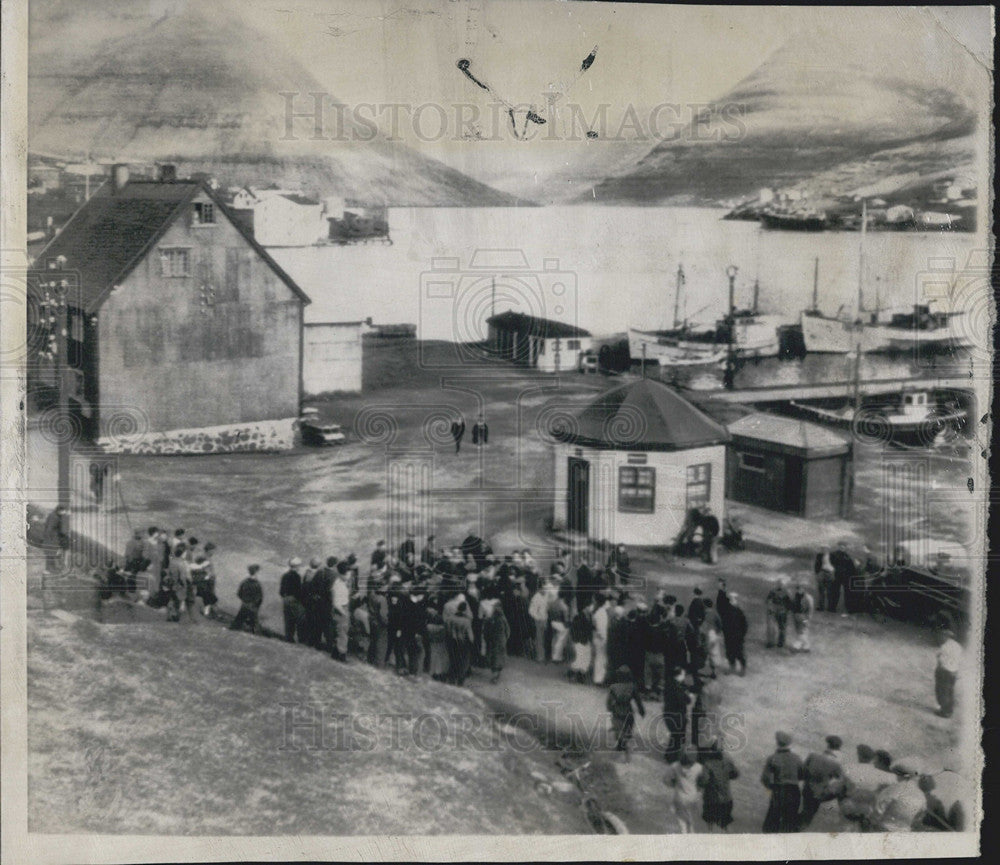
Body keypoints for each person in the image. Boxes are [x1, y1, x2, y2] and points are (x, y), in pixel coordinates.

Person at [839, 744, 896, 831]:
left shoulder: (847, 768)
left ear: (858, 755)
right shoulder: (885, 775)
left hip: (848, 812)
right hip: (870, 813)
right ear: (873, 758)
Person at [761, 730, 804, 833]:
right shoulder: (797, 758)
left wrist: (772, 787)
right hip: (793, 791)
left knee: (771, 824)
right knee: (790, 822)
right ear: (789, 743)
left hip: (778, 791)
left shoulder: (773, 758)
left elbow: (765, 779)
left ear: (777, 742)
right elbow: (803, 775)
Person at [800, 735, 845, 828]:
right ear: (838, 749)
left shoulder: (813, 756)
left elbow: (802, 772)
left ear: (827, 745)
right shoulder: (836, 764)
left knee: (806, 812)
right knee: (807, 816)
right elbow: (841, 779)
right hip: (819, 793)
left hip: (806, 789)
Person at [871, 761, 927, 831]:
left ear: (904, 776)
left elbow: (880, 806)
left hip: (885, 828)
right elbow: (920, 815)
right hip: (905, 831)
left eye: (897, 774)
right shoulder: (921, 794)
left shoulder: (894, 789)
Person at [700, 740, 739, 832]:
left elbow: (704, 781)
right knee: (726, 825)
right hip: (726, 799)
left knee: (710, 825)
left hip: (711, 800)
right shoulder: (728, 761)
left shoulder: (707, 764)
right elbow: (735, 774)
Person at [607, 666, 645, 762]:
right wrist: (642, 711)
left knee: (619, 731)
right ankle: (625, 753)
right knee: (626, 733)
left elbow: (608, 701)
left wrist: (611, 709)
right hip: (628, 711)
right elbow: (638, 701)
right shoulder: (632, 687)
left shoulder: (613, 687)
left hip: (617, 711)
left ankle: (620, 750)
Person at [664, 749, 704, 833]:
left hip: (679, 797)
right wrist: (699, 791)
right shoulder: (699, 767)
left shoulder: (675, 766)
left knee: (681, 821)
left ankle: (684, 833)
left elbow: (666, 780)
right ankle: (691, 833)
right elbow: (703, 782)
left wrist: (674, 784)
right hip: (693, 797)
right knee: (691, 819)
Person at [662, 666, 690, 764]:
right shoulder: (676, 687)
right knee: (677, 736)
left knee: (677, 736)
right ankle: (672, 757)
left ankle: (672, 756)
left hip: (672, 714)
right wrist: (688, 697)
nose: (684, 676)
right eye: (683, 674)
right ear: (678, 675)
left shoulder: (671, 684)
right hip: (675, 716)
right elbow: (683, 700)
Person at [934, 627, 961, 718]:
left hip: (945, 671)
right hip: (954, 671)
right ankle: (949, 710)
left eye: (942, 635)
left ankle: (944, 711)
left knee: (942, 691)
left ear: (946, 636)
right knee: (950, 691)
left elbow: (940, 658)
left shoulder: (944, 646)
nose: (941, 637)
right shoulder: (957, 646)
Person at [482, 599, 511, 683]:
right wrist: (505, 639)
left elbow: (485, 632)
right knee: (499, 658)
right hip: (501, 641)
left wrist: (487, 639)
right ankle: (497, 673)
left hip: (493, 642)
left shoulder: (490, 620)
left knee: (493, 658)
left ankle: (495, 675)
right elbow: (508, 631)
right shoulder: (503, 619)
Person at [230, 564, 263, 633]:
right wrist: (256, 606)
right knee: (255, 625)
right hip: (252, 606)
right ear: (256, 572)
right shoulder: (257, 584)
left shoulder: (244, 582)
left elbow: (239, 594)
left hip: (244, 604)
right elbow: (260, 598)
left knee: (238, 622)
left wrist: (244, 600)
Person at [279, 557, 305, 643]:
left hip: (285, 599)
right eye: (299, 566)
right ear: (296, 566)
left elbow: (281, 591)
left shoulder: (285, 575)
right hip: (294, 599)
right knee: (299, 619)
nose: (299, 567)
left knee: (288, 619)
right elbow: (298, 591)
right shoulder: (297, 576)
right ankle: (301, 639)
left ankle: (288, 638)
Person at [722, 592, 747, 675]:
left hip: (737, 635)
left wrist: (742, 634)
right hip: (729, 635)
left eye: (733, 599)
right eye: (731, 599)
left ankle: (742, 668)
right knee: (730, 652)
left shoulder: (739, 611)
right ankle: (732, 666)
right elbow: (724, 623)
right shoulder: (727, 610)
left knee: (739, 652)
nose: (732, 601)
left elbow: (744, 625)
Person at [568, 606, 593, 683]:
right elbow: (574, 629)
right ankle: (576, 674)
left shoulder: (586, 616)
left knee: (584, 658)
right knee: (581, 658)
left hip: (583, 640)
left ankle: (577, 675)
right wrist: (575, 640)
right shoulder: (580, 617)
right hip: (581, 640)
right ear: (585, 608)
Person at [331, 564, 351, 661]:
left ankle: (335, 653)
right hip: (341, 610)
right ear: (343, 574)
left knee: (339, 633)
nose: (349, 576)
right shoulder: (339, 587)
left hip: (341, 610)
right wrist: (344, 613)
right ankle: (341, 655)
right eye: (348, 574)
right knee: (343, 634)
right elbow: (336, 604)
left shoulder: (339, 582)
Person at [42, 505, 70, 574]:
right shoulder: (55, 517)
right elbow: (62, 530)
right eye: (64, 511)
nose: (64, 512)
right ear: (60, 511)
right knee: (52, 554)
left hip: (50, 538)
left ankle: (51, 569)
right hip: (52, 538)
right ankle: (50, 569)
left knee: (51, 554)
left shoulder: (53, 515)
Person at [765, 578, 791, 649]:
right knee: (771, 627)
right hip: (773, 610)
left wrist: (786, 610)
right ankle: (771, 642)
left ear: (784, 585)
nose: (780, 585)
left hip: (782, 611)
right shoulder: (772, 591)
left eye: (782, 584)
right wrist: (770, 607)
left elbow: (790, 603)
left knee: (782, 627)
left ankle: (781, 643)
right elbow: (768, 600)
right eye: (779, 583)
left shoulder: (787, 592)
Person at [790, 581, 815, 653]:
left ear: (804, 589)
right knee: (799, 630)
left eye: (800, 589)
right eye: (797, 589)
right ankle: (806, 646)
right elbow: (792, 606)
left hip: (804, 616)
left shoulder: (808, 598)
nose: (798, 590)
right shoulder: (795, 596)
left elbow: (810, 610)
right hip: (796, 615)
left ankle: (797, 645)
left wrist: (807, 619)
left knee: (802, 630)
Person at [592, 595, 611, 685]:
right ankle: (599, 679)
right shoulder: (602, 613)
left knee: (600, 658)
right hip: (601, 638)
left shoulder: (598, 612)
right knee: (601, 658)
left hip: (598, 638)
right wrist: (604, 638)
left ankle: (599, 678)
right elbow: (601, 629)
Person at [528, 585, 549, 663]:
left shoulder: (546, 596)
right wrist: (537, 618)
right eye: (544, 589)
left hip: (545, 619)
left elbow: (547, 607)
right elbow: (531, 610)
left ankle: (543, 655)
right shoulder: (536, 597)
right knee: (539, 638)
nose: (545, 590)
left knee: (543, 638)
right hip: (538, 620)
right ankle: (540, 657)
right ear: (540, 589)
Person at [814, 545, 835, 612]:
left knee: (830, 591)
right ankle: (821, 607)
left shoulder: (832, 556)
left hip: (830, 573)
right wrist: (817, 573)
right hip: (822, 572)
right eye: (823, 548)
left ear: (828, 549)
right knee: (821, 590)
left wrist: (834, 573)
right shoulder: (819, 555)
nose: (824, 550)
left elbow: (836, 564)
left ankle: (830, 608)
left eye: (826, 548)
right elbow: (816, 564)